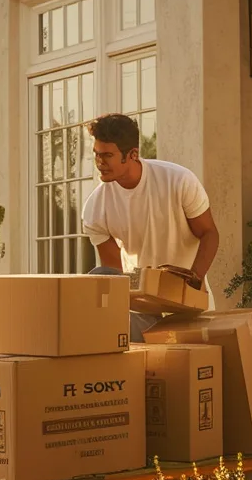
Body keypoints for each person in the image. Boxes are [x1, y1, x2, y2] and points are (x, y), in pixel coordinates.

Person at [81, 112, 221, 342]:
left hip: (190, 305)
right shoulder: (96, 207)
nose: (99, 162)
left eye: (107, 155)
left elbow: (209, 233)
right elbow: (115, 276)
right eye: (96, 154)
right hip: (144, 312)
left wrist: (194, 281)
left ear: (133, 154)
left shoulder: (178, 181)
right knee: (101, 276)